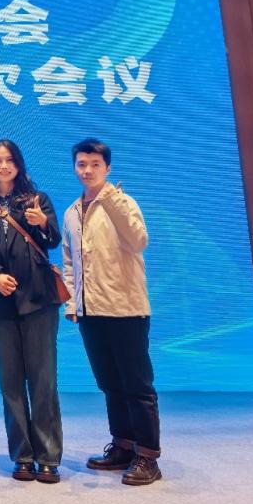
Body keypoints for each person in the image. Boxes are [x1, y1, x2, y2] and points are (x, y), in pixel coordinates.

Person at [61, 138, 160, 486]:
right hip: (90, 312)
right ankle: (123, 445)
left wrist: (112, 201)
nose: (87, 170)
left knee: (137, 384)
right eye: (81, 164)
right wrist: (73, 303)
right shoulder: (72, 211)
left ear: (107, 168)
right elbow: (70, 262)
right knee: (110, 384)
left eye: (95, 164)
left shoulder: (122, 202)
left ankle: (148, 456)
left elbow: (139, 241)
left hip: (126, 308)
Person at [0, 139, 63, 484]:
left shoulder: (37, 200)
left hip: (38, 299)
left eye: (10, 160)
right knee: (10, 381)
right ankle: (22, 455)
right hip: (0, 301)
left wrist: (42, 223)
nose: (4, 165)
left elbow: (52, 241)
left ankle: (48, 456)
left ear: (19, 164)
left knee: (43, 380)